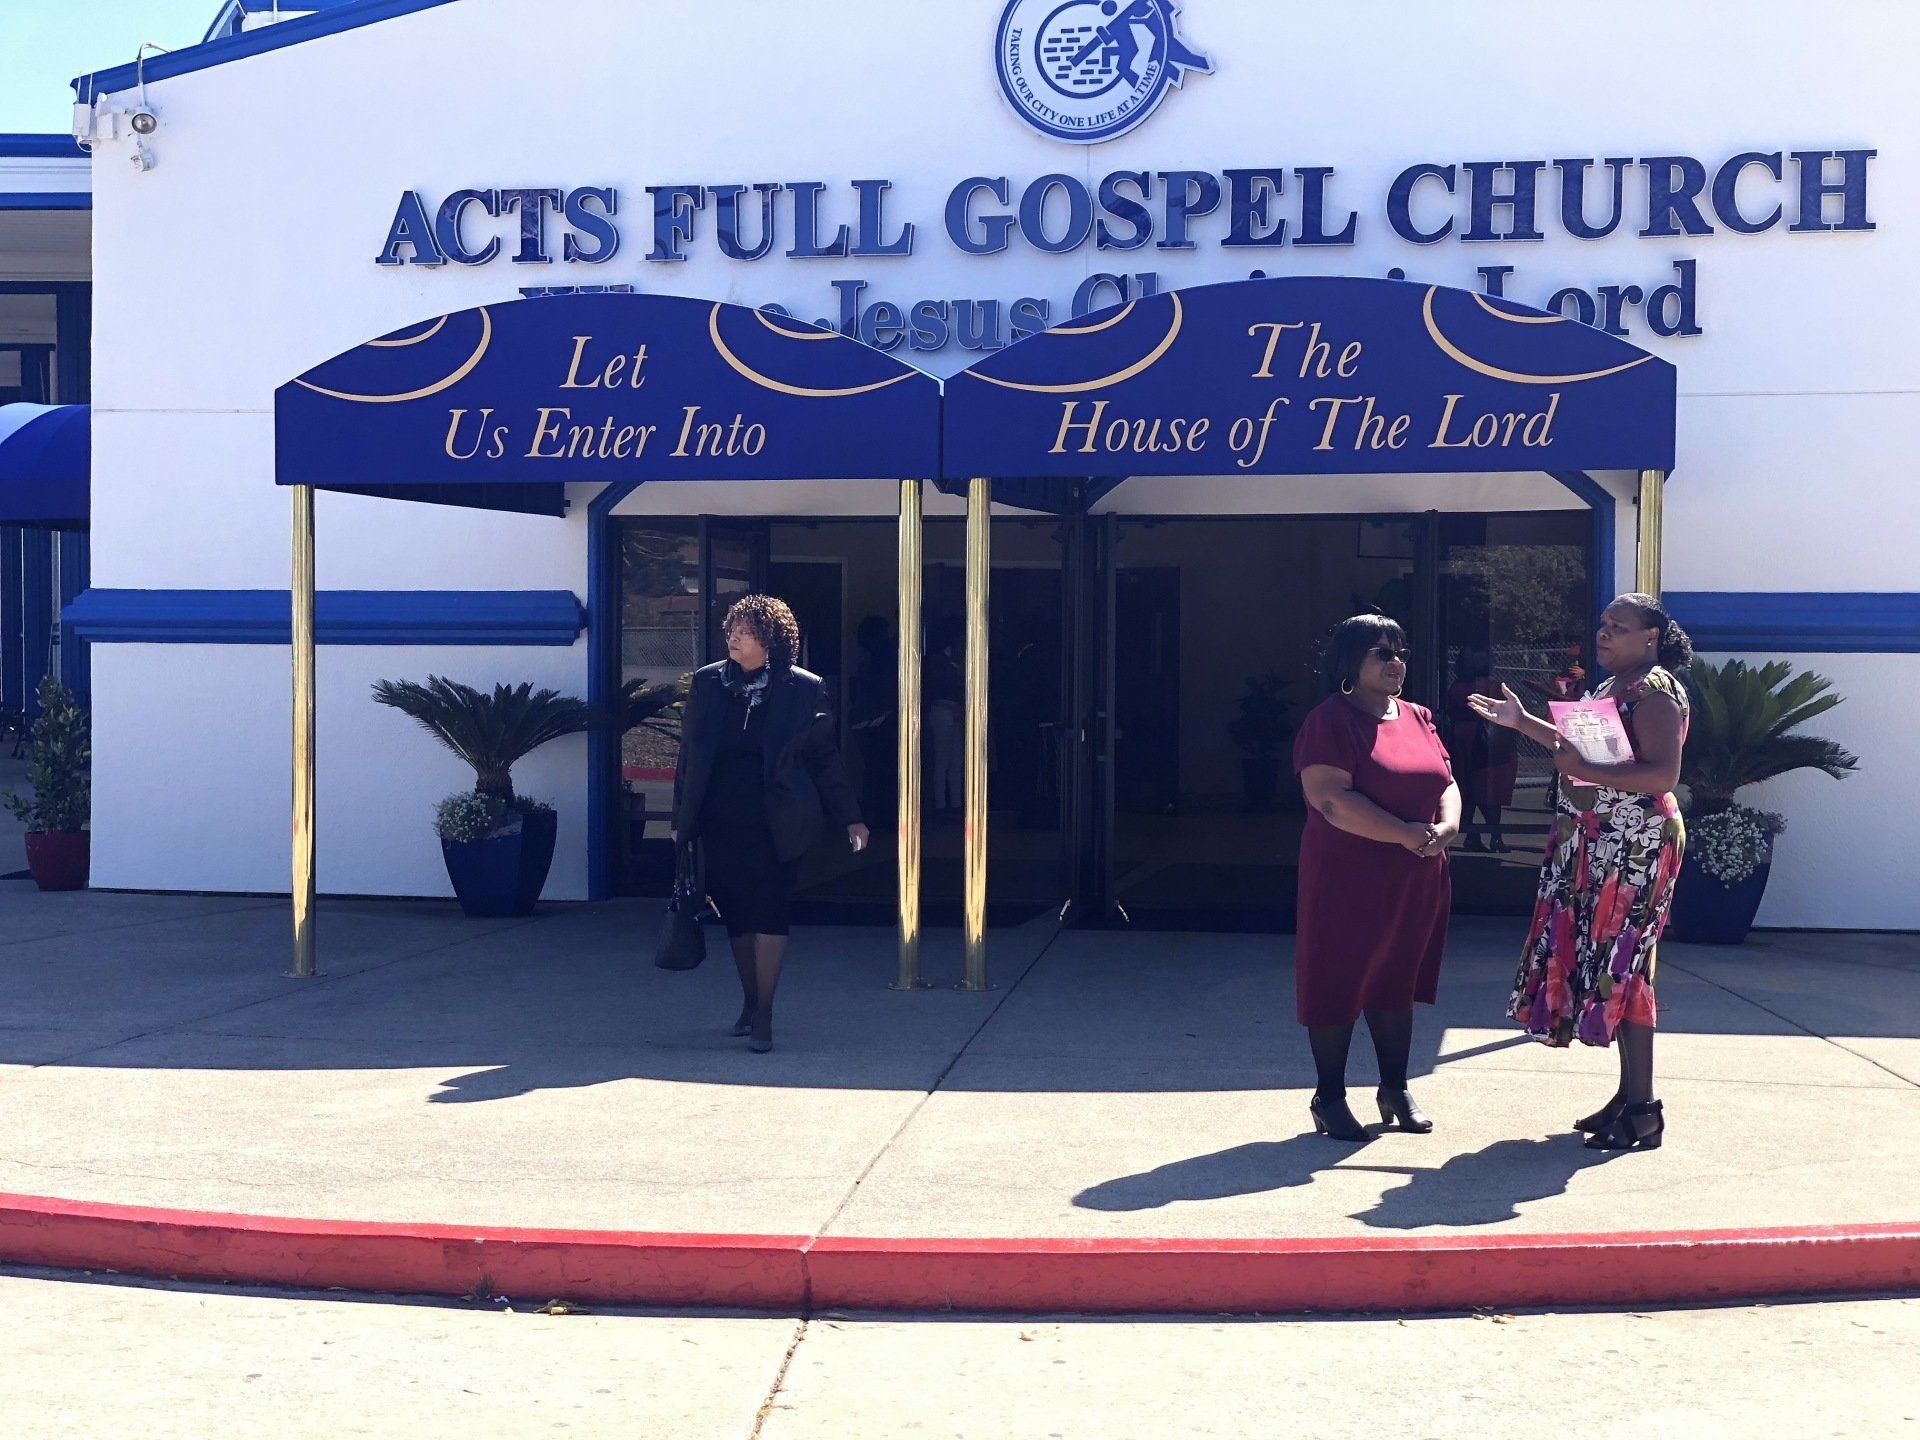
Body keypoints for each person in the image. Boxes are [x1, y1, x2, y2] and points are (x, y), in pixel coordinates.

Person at [1468, 593, 1692, 1152]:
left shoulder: (1655, 692)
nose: (1605, 633)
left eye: (1619, 627)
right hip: (1595, 840)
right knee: (1605, 964)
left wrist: (1585, 770)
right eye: (1602, 624)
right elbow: (1575, 749)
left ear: (1650, 638)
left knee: (1626, 966)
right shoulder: (1609, 689)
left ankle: (1643, 1110)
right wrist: (1523, 723)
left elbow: (1662, 774)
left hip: (1636, 845)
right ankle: (1627, 1096)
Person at [672, 595, 869, 1053]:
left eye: (744, 630)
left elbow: (823, 758)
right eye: (731, 629)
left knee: (769, 910)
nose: (733, 637)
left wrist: (851, 817)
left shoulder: (802, 688)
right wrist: (682, 823)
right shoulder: (707, 683)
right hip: (720, 820)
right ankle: (750, 1000)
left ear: (771, 639)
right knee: (737, 916)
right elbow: (689, 759)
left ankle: (765, 1015)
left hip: (778, 821)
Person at [1293, 614, 1461, 1141]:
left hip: (1415, 875)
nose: (1396, 663)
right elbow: (1331, 801)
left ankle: (1394, 1087)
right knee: (1337, 980)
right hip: (1346, 877)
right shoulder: (1330, 720)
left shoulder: (1417, 716)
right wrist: (1406, 833)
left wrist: (1447, 825)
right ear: (1351, 660)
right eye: (1382, 653)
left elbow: (1447, 781)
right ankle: (1330, 1096)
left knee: (1397, 980)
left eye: (1401, 652)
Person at [1445, 650, 1519, 851]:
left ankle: (1473, 835)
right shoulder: (1491, 687)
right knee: (1487, 792)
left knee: (1469, 791)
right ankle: (1494, 836)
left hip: (1463, 743)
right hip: (1486, 747)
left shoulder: (1455, 687)